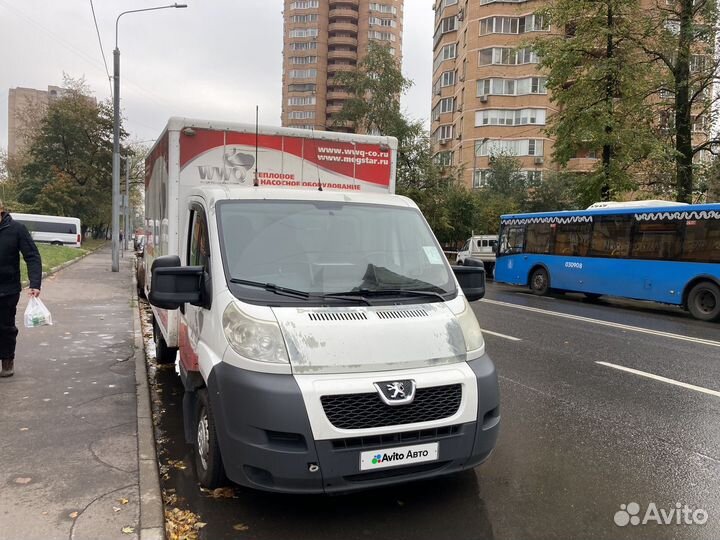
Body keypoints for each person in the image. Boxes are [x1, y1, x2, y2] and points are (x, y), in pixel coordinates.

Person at [0, 199, 42, 377]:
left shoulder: (16, 229)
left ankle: (7, 360)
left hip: (7, 289)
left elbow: (32, 256)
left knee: (5, 327)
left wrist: (34, 283)